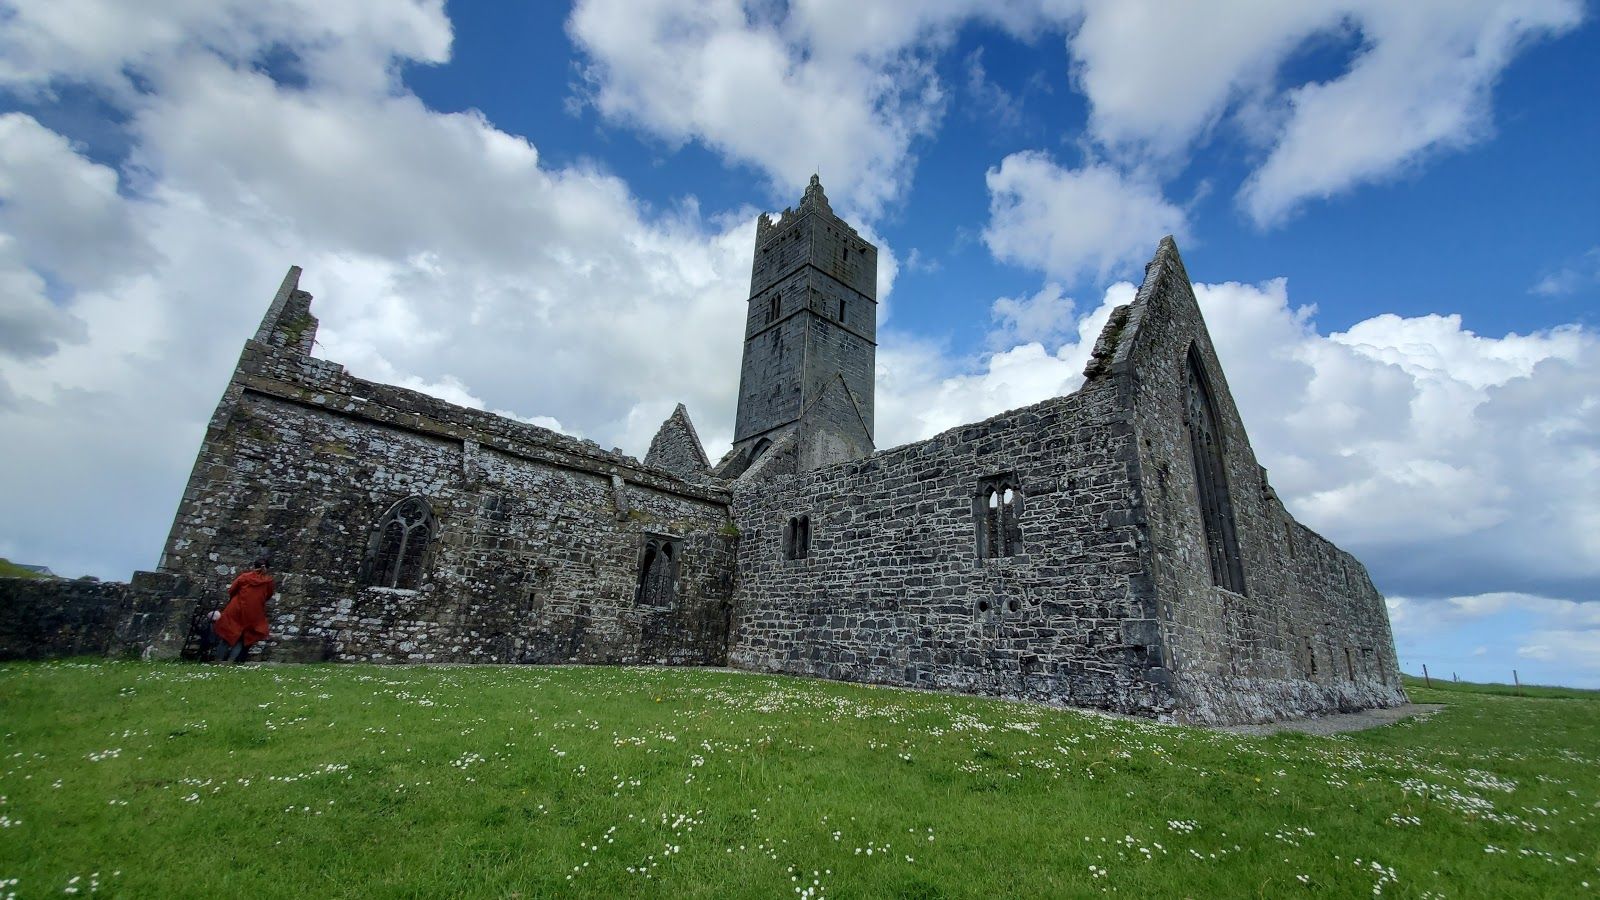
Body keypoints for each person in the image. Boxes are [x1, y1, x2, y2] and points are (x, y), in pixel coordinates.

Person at [213, 556, 281, 662]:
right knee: (242, 638)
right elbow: (267, 596)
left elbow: (232, 590)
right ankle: (231, 661)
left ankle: (218, 660)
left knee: (227, 635)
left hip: (236, 608)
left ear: (254, 566)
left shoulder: (245, 577)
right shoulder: (268, 581)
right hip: (253, 612)